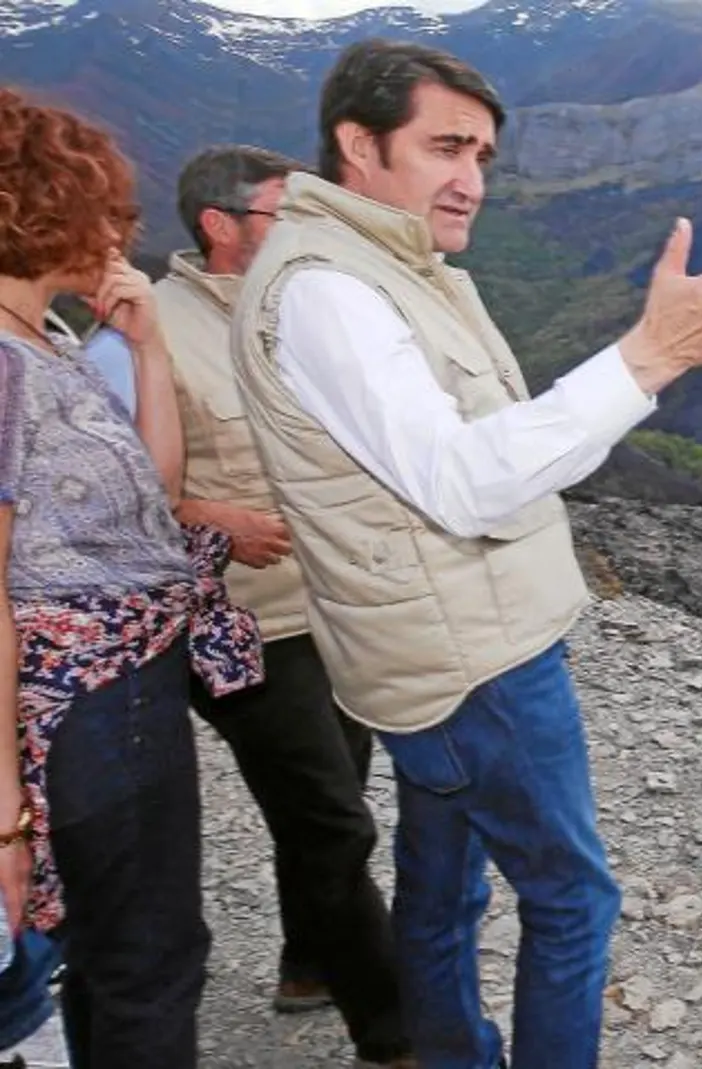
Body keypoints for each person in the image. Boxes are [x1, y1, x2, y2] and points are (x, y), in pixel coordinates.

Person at [227, 37, 702, 1069]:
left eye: (485, 155)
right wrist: (654, 352)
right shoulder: (329, 292)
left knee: (444, 887)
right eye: (446, 146)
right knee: (572, 898)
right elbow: (462, 482)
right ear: (358, 144)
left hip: (437, 643)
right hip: (473, 657)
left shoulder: (379, 265)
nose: (472, 180)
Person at [0, 87, 263, 1067]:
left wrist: (148, 347)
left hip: (125, 691)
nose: (121, 231)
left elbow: (156, 493)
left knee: (130, 947)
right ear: (41, 205)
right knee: (144, 956)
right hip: (88, 704)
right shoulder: (4, 363)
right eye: (103, 208)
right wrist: (6, 822)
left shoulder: (51, 344)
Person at [153, 145, 412, 1067]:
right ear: (220, 227)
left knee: (329, 798)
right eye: (282, 217)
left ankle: (309, 963)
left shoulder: (302, 307)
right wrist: (208, 518)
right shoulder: (147, 331)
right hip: (244, 623)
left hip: (336, 601)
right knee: (336, 821)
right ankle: (394, 1037)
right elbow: (110, 498)